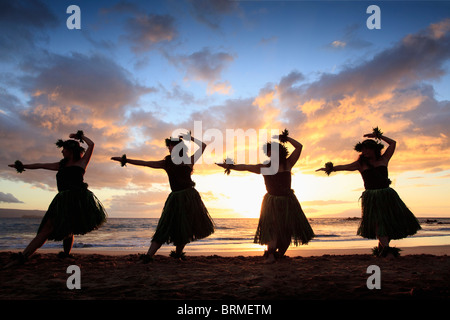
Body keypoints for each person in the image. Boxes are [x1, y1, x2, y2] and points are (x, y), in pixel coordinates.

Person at [6, 131, 107, 267]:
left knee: (51, 229)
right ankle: (65, 254)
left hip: (78, 200)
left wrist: (79, 136)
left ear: (71, 150)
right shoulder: (60, 165)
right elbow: (41, 165)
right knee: (66, 226)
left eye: (64, 149)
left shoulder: (82, 163)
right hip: (62, 200)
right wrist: (23, 166)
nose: (62, 152)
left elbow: (92, 144)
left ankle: (23, 257)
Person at [316, 128, 421, 257]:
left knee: (387, 222)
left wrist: (378, 135)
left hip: (387, 195)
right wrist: (330, 168)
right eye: (363, 150)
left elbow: (393, 143)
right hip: (372, 197)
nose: (364, 152)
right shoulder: (360, 164)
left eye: (367, 149)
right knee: (378, 222)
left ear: (374, 150)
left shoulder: (384, 159)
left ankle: (381, 250)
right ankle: (387, 250)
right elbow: (345, 166)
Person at [111, 133, 214, 262]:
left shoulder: (189, 161)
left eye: (170, 146)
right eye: (169, 147)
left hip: (189, 197)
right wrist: (126, 160)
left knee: (185, 226)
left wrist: (190, 138)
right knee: (164, 226)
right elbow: (145, 163)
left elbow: (203, 146)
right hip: (175, 198)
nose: (169, 148)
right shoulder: (167, 163)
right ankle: (149, 256)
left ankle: (178, 254)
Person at [217, 131, 315, 263]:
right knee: (272, 229)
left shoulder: (288, 163)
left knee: (286, 230)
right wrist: (230, 166)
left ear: (280, 151)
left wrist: (286, 138)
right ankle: (270, 255)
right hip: (272, 202)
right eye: (268, 152)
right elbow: (246, 167)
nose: (270, 154)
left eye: (272, 151)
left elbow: (299, 147)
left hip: (288, 201)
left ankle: (278, 255)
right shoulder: (264, 167)